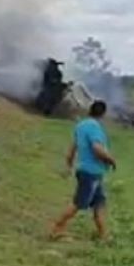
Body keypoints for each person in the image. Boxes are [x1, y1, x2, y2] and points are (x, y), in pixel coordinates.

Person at [49, 100, 116, 241]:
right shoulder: (95, 128)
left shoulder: (81, 126)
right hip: (90, 173)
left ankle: (103, 235)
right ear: (104, 113)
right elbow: (97, 149)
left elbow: (72, 149)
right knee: (78, 204)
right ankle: (56, 229)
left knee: (99, 203)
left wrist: (69, 165)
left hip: (90, 172)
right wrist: (110, 159)